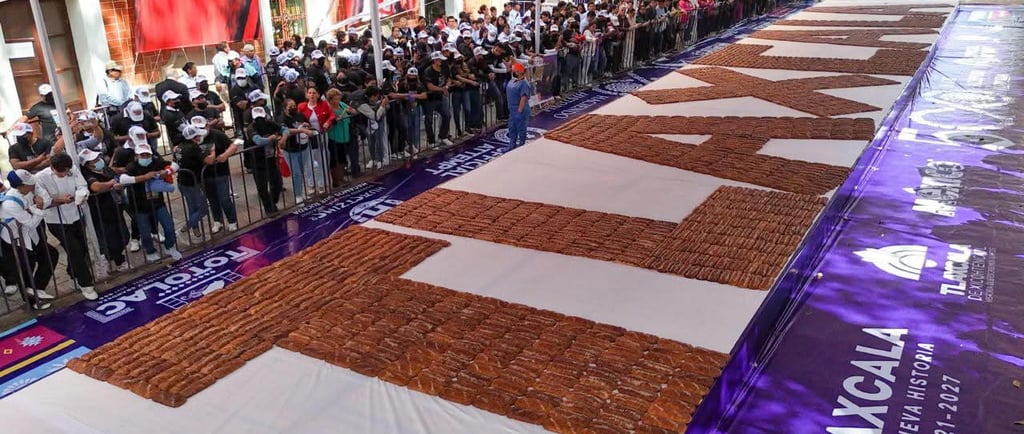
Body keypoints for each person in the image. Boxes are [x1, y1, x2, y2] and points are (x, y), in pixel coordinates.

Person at [33, 153, 97, 300]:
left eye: (66, 171)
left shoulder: (72, 169)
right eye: (60, 172)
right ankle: (86, 284)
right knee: (74, 249)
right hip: (56, 221)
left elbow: (82, 185)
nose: (63, 174)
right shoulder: (41, 178)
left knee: (81, 248)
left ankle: (73, 274)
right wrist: (59, 200)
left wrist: (81, 194)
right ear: (52, 167)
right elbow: (43, 201)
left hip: (76, 215)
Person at [0, 169, 58, 309]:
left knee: (51, 255)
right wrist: (39, 207)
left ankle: (37, 288)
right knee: (25, 270)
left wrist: (36, 207)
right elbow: (31, 222)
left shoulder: (29, 189)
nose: (33, 185)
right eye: (29, 183)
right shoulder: (10, 203)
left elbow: (46, 198)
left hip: (30, 235)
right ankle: (32, 302)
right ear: (21, 186)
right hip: (15, 240)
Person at [120, 144, 182, 262]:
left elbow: (175, 165)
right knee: (145, 233)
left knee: (169, 227)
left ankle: (170, 247)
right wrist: (144, 177)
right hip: (140, 206)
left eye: (147, 155)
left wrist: (166, 171)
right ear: (137, 156)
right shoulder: (132, 166)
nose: (145, 157)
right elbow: (123, 179)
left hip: (158, 203)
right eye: (142, 155)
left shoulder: (156, 162)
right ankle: (150, 251)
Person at [79, 148, 130, 274]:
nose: (98, 160)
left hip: (115, 206)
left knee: (123, 234)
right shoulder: (87, 175)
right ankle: (112, 261)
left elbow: (115, 171)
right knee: (108, 238)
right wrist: (111, 184)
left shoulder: (105, 169)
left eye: (97, 158)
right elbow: (95, 187)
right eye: (94, 160)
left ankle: (116, 258)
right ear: (87, 164)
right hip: (100, 210)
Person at [175, 125, 213, 239]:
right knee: (203, 209)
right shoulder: (193, 148)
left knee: (192, 207)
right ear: (194, 137)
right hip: (192, 183)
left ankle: (195, 227)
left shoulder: (180, 146)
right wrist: (212, 152)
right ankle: (188, 225)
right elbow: (208, 161)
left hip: (182, 181)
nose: (199, 137)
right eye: (198, 136)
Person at [246, 107, 284, 216]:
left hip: (271, 159)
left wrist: (283, 138)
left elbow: (284, 129)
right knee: (262, 187)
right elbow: (258, 140)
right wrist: (271, 138)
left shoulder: (270, 123)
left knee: (277, 184)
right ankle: (269, 209)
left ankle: (272, 203)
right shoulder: (251, 128)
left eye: (261, 118)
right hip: (257, 161)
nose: (260, 121)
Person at [296, 86, 335, 193]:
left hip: (321, 135)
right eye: (310, 93)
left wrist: (328, 122)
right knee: (309, 162)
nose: (312, 95)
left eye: (314, 93)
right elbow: (297, 119)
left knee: (323, 159)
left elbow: (332, 115)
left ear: (318, 95)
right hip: (308, 137)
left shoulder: (324, 104)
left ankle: (322, 183)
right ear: (306, 95)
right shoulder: (301, 107)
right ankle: (311, 184)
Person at [325, 88, 357, 186]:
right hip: (334, 137)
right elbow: (333, 121)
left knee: (343, 158)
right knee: (335, 159)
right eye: (335, 99)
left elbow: (354, 111)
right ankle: (336, 180)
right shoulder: (328, 108)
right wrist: (343, 113)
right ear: (330, 100)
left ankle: (341, 177)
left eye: (338, 98)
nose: (338, 101)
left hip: (345, 135)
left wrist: (351, 110)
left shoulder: (342, 104)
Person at [505, 62, 534, 151]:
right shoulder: (513, 80)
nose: (513, 71)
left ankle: (521, 145)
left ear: (519, 72)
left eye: (515, 70)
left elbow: (523, 98)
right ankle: (512, 144)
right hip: (512, 109)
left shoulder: (524, 84)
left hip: (520, 109)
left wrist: (519, 111)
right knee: (512, 127)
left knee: (521, 128)